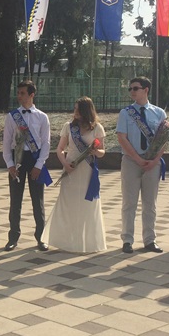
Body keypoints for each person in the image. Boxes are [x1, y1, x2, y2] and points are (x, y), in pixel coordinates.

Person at [46, 97, 106, 254]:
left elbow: (102, 152)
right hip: (71, 168)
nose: (75, 112)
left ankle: (85, 242)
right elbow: (60, 149)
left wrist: (95, 151)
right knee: (68, 204)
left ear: (87, 110)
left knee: (86, 206)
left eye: (79, 109)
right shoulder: (68, 127)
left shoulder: (97, 128)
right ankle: (67, 241)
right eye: (75, 109)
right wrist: (65, 164)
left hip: (87, 170)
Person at [117, 76, 168, 253]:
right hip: (131, 161)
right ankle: (127, 240)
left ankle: (149, 240)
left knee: (150, 204)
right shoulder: (126, 113)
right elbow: (122, 138)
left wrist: (155, 160)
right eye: (130, 89)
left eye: (135, 88)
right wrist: (138, 159)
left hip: (153, 163)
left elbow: (164, 140)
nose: (131, 91)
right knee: (129, 203)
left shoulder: (159, 113)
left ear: (146, 90)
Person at [3, 80, 52, 251]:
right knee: (15, 200)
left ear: (32, 95)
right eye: (18, 93)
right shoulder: (12, 116)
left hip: (34, 159)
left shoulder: (42, 117)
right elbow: (6, 142)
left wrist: (39, 165)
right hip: (17, 159)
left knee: (38, 201)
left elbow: (46, 143)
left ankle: (41, 237)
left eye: (22, 93)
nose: (19, 96)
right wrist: (10, 164)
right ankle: (13, 238)